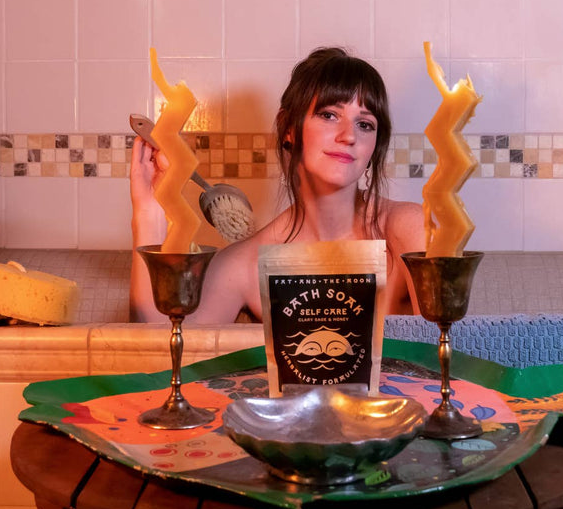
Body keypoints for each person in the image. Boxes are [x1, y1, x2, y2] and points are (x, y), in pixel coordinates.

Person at [130, 47, 424, 324]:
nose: (349, 136)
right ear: (289, 129)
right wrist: (149, 212)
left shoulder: (407, 228)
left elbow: (450, 352)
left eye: (365, 124)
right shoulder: (250, 261)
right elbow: (161, 345)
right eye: (329, 115)